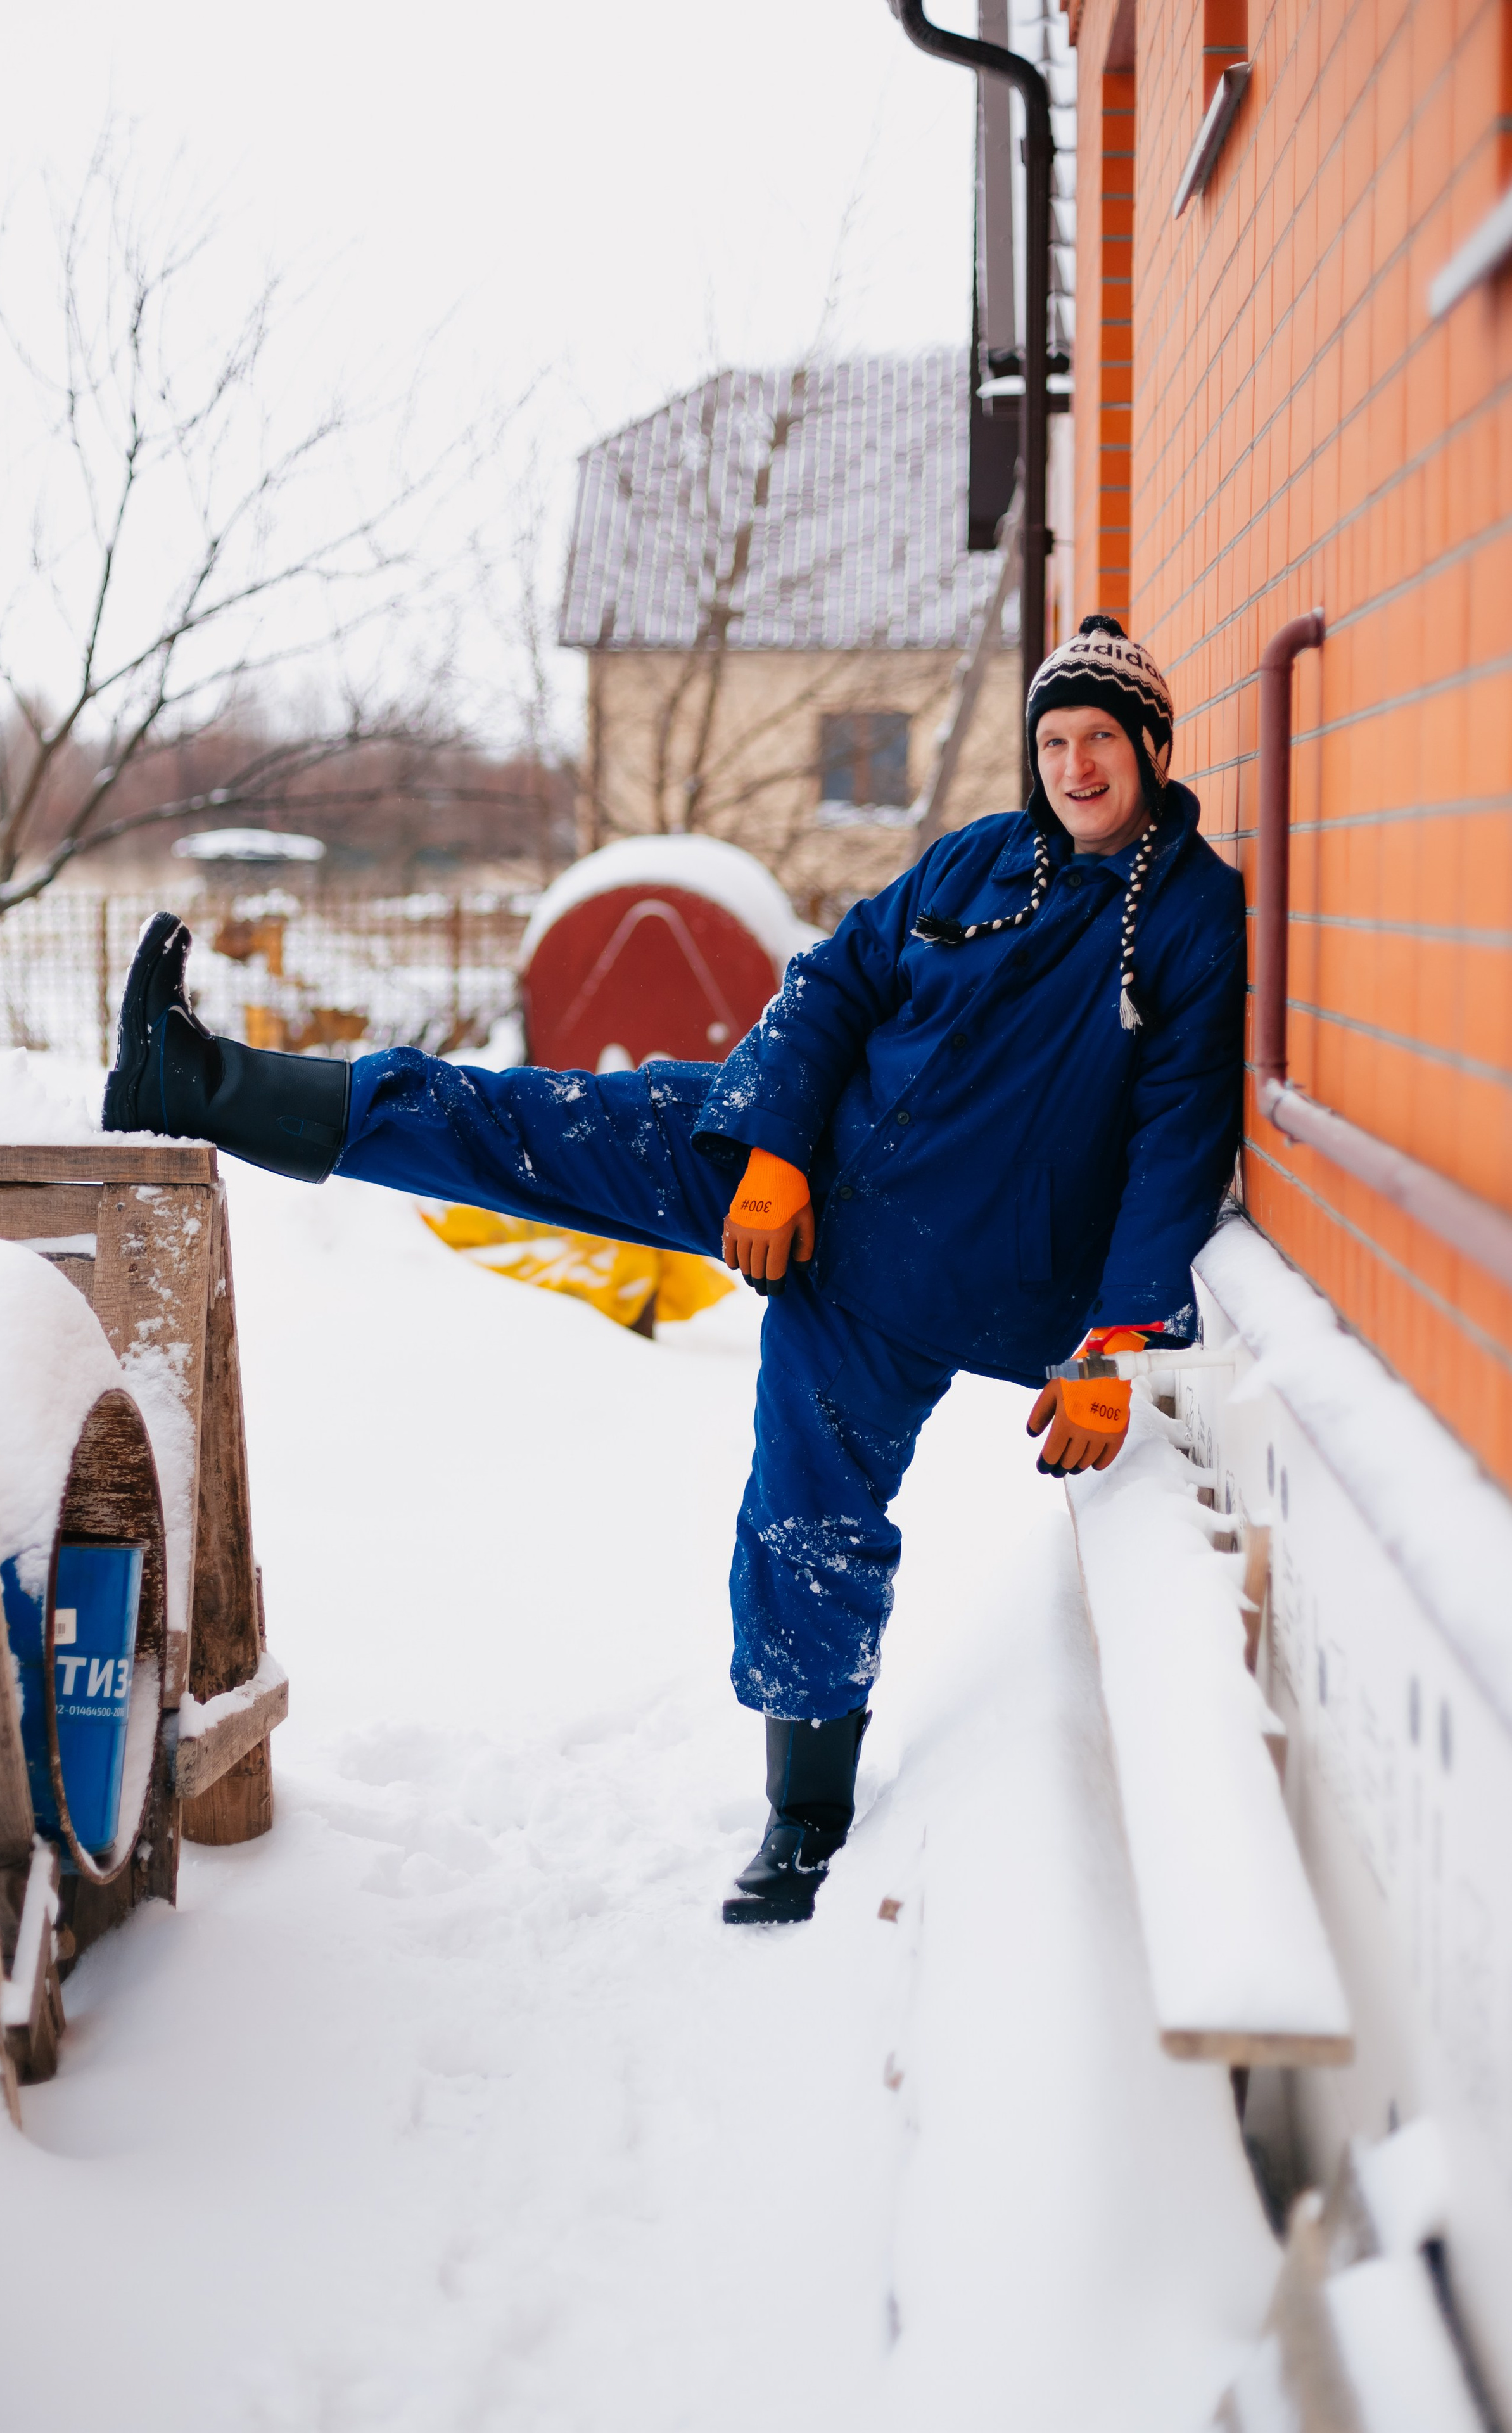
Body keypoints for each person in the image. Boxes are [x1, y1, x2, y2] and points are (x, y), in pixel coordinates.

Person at [103, 615, 1245, 1924]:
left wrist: (1116, 1344)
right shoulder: (976, 858)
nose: (1075, 764)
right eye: (1052, 740)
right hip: (795, 1167)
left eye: (1100, 738)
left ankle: (802, 1820)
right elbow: (827, 991)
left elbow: (1173, 1141)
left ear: (1151, 748)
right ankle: (194, 1083)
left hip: (933, 1274)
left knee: (807, 1520)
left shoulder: (1189, 918)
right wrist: (768, 1147)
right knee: (522, 1119)